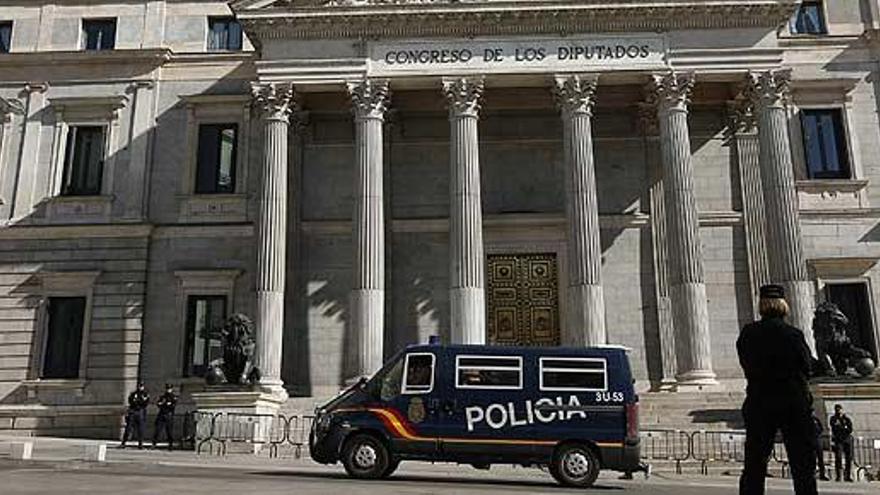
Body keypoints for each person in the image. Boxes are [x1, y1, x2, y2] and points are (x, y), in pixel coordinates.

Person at [737, 284, 817, 495]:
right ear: (783, 305)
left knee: (754, 464)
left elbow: (745, 362)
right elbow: (807, 366)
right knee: (802, 465)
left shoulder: (748, 333)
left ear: (761, 305)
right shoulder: (792, 334)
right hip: (793, 403)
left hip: (759, 401)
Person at [120, 382, 150, 449]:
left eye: (141, 386)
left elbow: (145, 403)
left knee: (140, 430)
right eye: (139, 386)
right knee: (128, 428)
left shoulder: (145, 394)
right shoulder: (134, 394)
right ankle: (123, 443)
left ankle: (140, 444)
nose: (140, 387)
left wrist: (138, 401)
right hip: (133, 412)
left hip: (140, 412)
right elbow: (131, 401)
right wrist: (138, 402)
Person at [830, 404, 854, 482]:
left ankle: (848, 476)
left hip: (847, 440)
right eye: (837, 409)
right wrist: (844, 428)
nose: (838, 411)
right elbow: (835, 428)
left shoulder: (846, 419)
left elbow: (850, 429)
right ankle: (839, 476)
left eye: (839, 409)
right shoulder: (833, 418)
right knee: (838, 458)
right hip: (838, 440)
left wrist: (842, 428)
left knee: (848, 458)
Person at [152, 383, 178, 451]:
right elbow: (159, 404)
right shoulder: (163, 397)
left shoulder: (173, 397)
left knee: (169, 431)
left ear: (171, 389)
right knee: (158, 430)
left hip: (169, 415)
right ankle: (154, 443)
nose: (168, 390)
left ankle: (170, 445)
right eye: (167, 389)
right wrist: (165, 404)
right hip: (162, 414)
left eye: (169, 389)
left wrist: (165, 404)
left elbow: (172, 406)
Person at [812, 411, 829, 481]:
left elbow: (821, 428)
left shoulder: (816, 419)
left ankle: (822, 474)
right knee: (812, 459)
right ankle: (812, 474)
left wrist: (817, 434)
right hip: (811, 441)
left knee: (820, 459)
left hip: (818, 441)